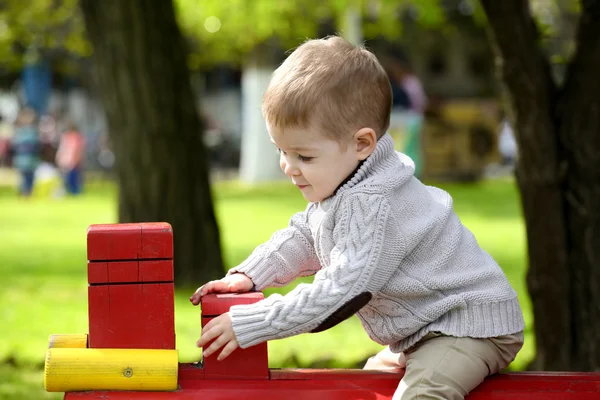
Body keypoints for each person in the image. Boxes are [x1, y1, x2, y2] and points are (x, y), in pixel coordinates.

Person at [190, 36, 524, 400]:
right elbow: (305, 236)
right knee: (362, 388)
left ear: (362, 143)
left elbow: (339, 291)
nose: (288, 167)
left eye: (305, 156)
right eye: (281, 151)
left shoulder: (373, 201)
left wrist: (253, 323)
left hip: (467, 324)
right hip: (422, 329)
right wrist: (250, 274)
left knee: (422, 395)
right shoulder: (345, 183)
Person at [11, 107, 40, 196]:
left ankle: (28, 192)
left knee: (29, 177)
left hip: (30, 159)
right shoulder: (21, 132)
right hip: (23, 159)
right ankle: (24, 192)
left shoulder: (33, 131)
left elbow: (36, 146)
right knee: (24, 177)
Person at [55, 120, 85, 195]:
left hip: (73, 161)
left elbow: (77, 150)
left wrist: (76, 159)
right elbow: (62, 149)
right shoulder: (66, 137)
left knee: (73, 178)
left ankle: (75, 192)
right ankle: (70, 191)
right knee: (67, 178)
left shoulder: (76, 137)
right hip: (66, 161)